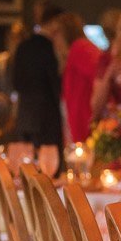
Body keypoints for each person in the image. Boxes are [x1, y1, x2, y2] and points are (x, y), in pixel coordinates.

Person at [11, 0, 64, 155]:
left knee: (26, 171)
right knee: (46, 173)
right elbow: (56, 86)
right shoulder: (50, 48)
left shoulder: (22, 46)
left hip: (24, 117)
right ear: (54, 22)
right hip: (46, 119)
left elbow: (16, 83)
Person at [48, 11, 103, 145]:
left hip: (86, 127)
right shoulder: (74, 52)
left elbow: (100, 73)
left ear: (65, 32)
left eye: (56, 33)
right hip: (80, 128)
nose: (53, 39)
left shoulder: (80, 48)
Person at [0, 19, 26, 136]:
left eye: (18, 38)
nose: (15, 41)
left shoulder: (27, 61)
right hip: (3, 109)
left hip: (21, 110)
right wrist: (0, 97)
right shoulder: (0, 61)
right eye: (13, 38)